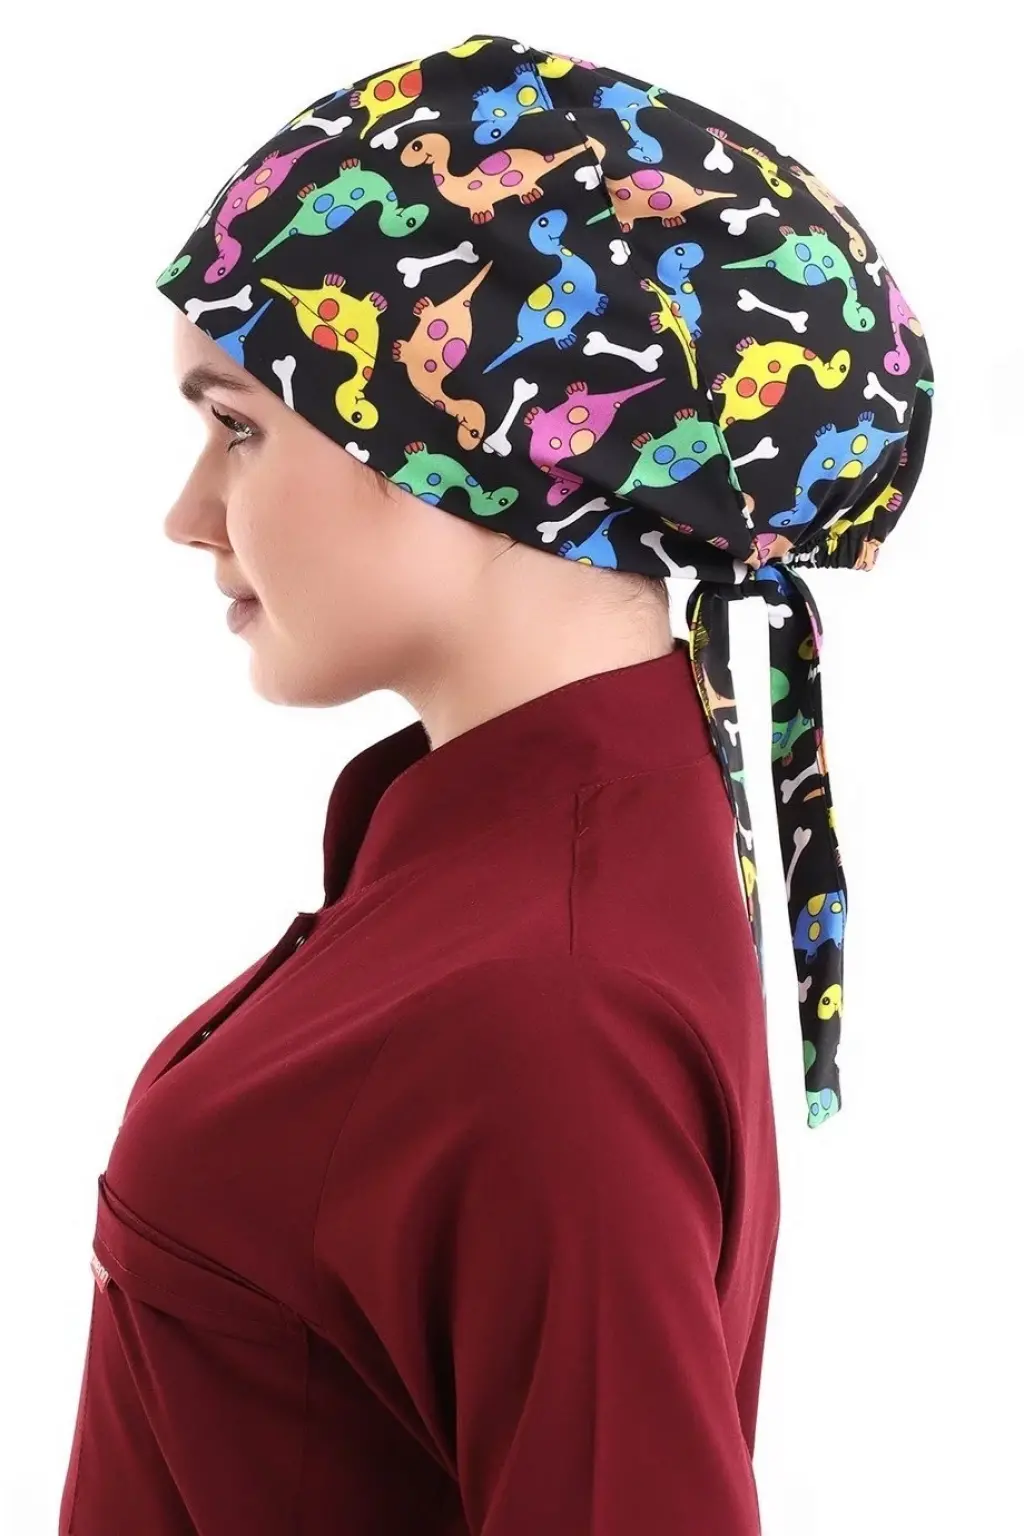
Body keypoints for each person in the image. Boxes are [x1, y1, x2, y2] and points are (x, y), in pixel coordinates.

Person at [59, 30, 933, 1535]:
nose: (188, 513)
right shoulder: (559, 855)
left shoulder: (545, 1004)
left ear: (464, 443)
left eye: (238, 427)